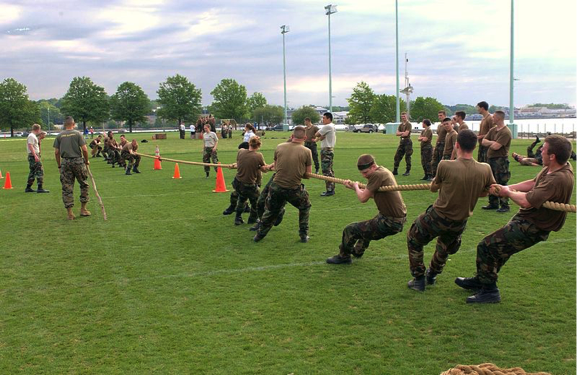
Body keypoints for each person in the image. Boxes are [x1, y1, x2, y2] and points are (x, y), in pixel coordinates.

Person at [456, 135, 574, 303]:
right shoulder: (555, 167)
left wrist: (508, 193)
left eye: (544, 149)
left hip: (534, 226)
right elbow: (533, 183)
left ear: (553, 156)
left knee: (487, 246)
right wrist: (507, 187)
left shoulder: (558, 178)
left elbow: (526, 201)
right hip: (527, 219)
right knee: (500, 250)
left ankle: (490, 291)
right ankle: (482, 280)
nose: (540, 150)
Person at [406, 130, 496, 291]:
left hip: (438, 216)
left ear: (457, 145)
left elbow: (433, 189)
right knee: (444, 247)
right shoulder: (485, 169)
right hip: (459, 221)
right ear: (475, 147)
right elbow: (486, 192)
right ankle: (432, 275)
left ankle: (419, 278)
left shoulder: (445, 165)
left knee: (414, 238)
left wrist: (440, 182)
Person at [326, 154, 407, 264]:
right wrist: (355, 188)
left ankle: (344, 256)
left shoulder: (377, 175)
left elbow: (363, 198)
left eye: (365, 172)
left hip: (390, 221)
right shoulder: (383, 170)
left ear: (373, 166)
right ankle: (358, 251)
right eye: (362, 173)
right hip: (393, 218)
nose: (364, 176)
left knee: (350, 229)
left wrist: (355, 186)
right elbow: (374, 195)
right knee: (366, 227)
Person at [254, 126, 312, 243]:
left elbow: (276, 166)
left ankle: (259, 235)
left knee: (271, 211)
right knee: (305, 206)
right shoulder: (307, 151)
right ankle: (303, 235)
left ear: (291, 136)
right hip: (293, 189)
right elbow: (308, 175)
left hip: (276, 186)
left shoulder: (279, 147)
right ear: (305, 137)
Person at [53, 116, 91, 220]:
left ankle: (70, 213)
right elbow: (84, 149)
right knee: (83, 184)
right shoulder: (78, 134)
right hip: (78, 161)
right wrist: (86, 161)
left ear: (65, 124)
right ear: (73, 124)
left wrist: (59, 165)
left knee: (67, 187)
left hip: (65, 162)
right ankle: (83, 209)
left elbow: (56, 152)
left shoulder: (59, 135)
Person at [232, 136, 268, 226]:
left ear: (249, 143)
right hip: (249, 185)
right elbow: (264, 169)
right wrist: (262, 167)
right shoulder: (258, 156)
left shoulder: (240, 152)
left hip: (237, 182)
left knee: (242, 199)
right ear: (259, 145)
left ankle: (238, 218)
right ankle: (252, 218)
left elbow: (239, 163)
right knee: (256, 202)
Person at [482, 110, 512, 213]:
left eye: (494, 117)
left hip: (500, 160)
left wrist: (491, 143)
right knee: (491, 181)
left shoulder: (505, 132)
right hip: (491, 159)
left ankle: (505, 204)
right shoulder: (493, 130)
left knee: (501, 181)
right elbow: (483, 141)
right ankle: (493, 203)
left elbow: (496, 147)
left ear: (499, 118)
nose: (492, 118)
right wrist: (492, 142)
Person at [315, 112, 336, 196]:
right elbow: (320, 137)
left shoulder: (328, 126)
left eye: (324, 118)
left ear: (328, 118)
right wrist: (320, 138)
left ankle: (330, 189)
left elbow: (316, 134)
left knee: (326, 170)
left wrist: (319, 137)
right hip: (330, 150)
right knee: (330, 170)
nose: (322, 119)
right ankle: (331, 188)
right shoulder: (332, 126)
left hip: (326, 150)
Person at [25, 123, 49, 193]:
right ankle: (40, 187)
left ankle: (28, 187)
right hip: (33, 155)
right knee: (39, 171)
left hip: (33, 155)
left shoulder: (32, 136)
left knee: (32, 172)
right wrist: (35, 155)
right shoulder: (31, 136)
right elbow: (30, 146)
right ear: (38, 129)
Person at [393, 112, 413, 176]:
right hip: (402, 142)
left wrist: (400, 133)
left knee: (407, 156)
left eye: (404, 116)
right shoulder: (401, 125)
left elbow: (406, 134)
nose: (403, 117)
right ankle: (395, 170)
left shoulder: (408, 124)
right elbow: (396, 134)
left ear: (407, 116)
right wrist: (402, 133)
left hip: (407, 141)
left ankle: (408, 171)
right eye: (402, 116)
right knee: (397, 156)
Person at [431, 110, 447, 177]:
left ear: (444, 116)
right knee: (435, 162)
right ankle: (435, 176)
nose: (439, 117)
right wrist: (435, 146)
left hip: (444, 145)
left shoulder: (447, 125)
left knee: (442, 161)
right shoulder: (439, 126)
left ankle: (441, 176)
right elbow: (438, 136)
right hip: (438, 144)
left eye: (441, 115)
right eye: (439, 115)